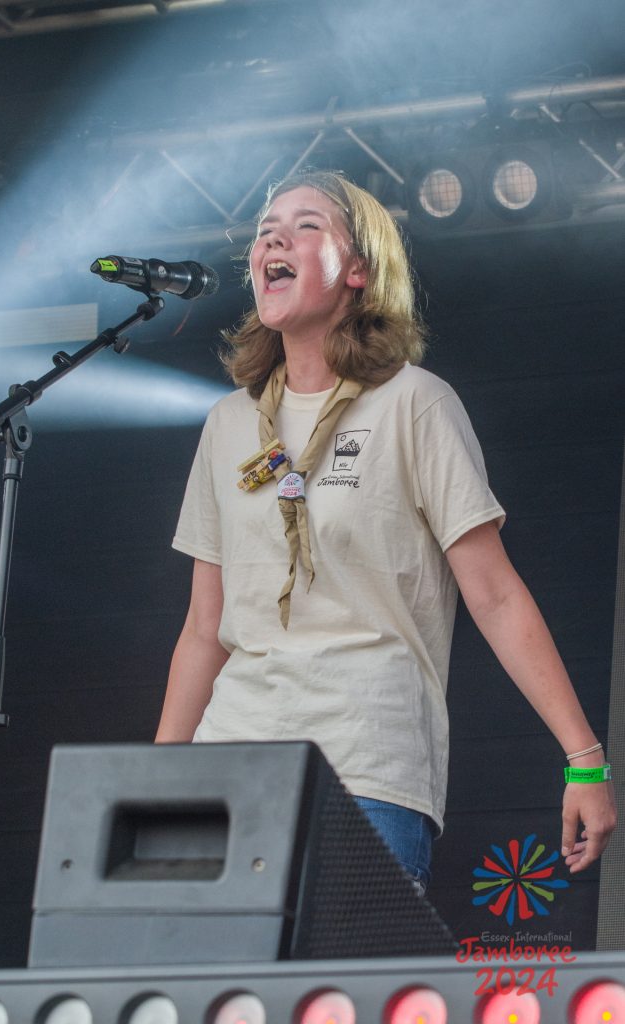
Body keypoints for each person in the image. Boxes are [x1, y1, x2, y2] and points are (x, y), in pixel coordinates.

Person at [155, 170, 616, 890]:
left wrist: (584, 759)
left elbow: (493, 596)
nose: (273, 237)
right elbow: (201, 628)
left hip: (367, 760)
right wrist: (154, 780)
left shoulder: (415, 404)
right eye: (264, 228)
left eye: (305, 225)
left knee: (341, 997)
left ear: (359, 271)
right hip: (230, 762)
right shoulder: (228, 424)